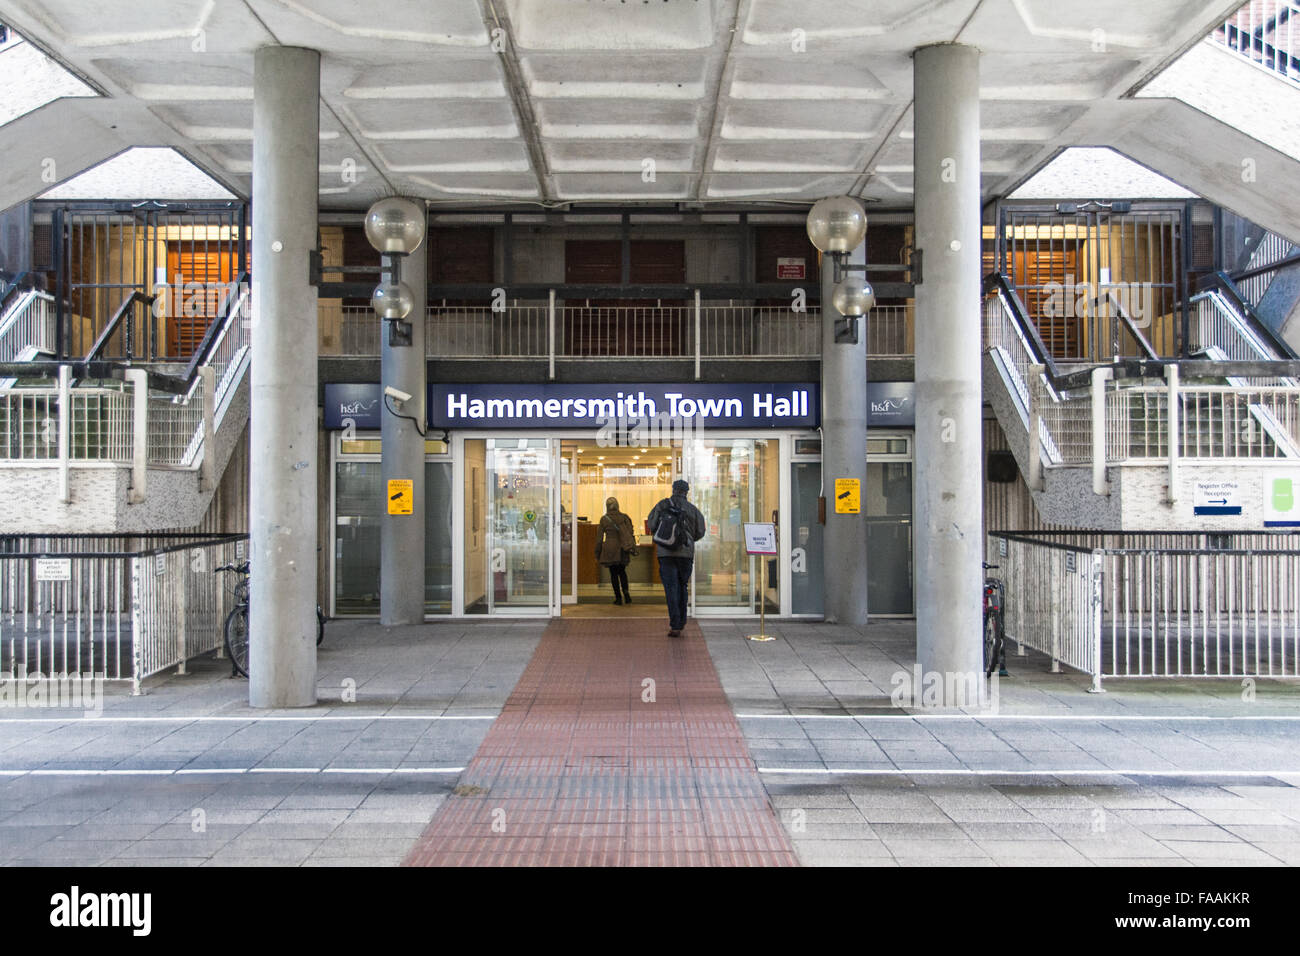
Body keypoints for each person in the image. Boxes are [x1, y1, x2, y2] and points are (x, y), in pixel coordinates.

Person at [647, 479, 706, 637]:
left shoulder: (662, 505)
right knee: (682, 586)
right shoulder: (692, 509)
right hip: (685, 554)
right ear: (686, 492)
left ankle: (675, 625)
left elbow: (651, 524)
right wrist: (688, 539)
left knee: (671, 588)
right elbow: (700, 531)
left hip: (665, 553)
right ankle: (681, 620)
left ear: (673, 489)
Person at [595, 496, 637, 606]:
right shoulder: (624, 517)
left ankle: (618, 598)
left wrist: (597, 552)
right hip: (623, 548)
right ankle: (627, 595)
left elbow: (599, 538)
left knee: (613, 573)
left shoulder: (604, 519)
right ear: (618, 505)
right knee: (622, 572)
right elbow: (630, 532)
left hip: (610, 548)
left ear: (607, 507)